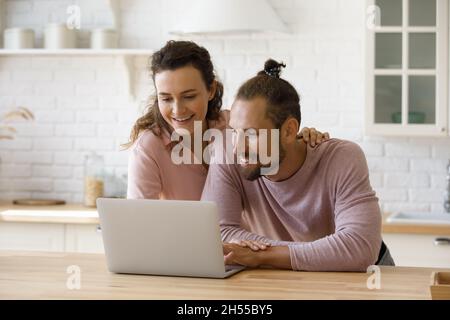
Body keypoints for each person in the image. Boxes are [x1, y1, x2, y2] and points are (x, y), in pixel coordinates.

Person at [201, 59, 395, 272]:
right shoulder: (227, 153)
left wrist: (262, 255)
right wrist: (319, 252)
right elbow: (216, 233)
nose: (239, 148)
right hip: (287, 273)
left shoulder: (342, 158)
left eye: (252, 134)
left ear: (289, 130)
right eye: (235, 131)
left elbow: (359, 248)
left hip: (363, 277)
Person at [124, 40, 330, 200]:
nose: (177, 109)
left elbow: (280, 146)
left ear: (211, 90)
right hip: (183, 250)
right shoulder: (149, 148)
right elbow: (138, 223)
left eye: (189, 96)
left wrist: (303, 138)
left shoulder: (233, 124)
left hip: (245, 247)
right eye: (166, 98)